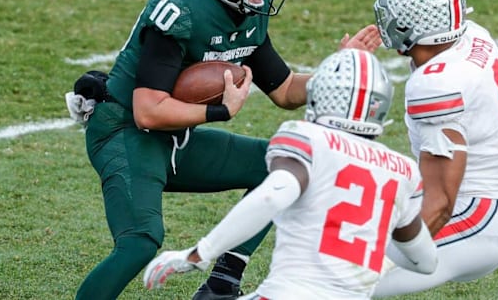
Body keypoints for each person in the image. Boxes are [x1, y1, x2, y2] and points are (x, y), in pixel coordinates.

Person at [65, 0, 381, 300]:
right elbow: (147, 109)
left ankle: (222, 285)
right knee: (140, 243)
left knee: (276, 164)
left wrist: (337, 68)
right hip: (126, 133)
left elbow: (283, 90)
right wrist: (218, 111)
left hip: (174, 138)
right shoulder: (178, 9)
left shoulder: (250, 15)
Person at [142, 48, 438, 300]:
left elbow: (272, 196)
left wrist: (198, 254)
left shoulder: (307, 138)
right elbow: (426, 261)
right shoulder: (402, 170)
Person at [370, 0, 498, 296]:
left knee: (334, 278)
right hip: (476, 204)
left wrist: (373, 265)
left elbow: (440, 202)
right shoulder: (472, 35)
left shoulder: (436, 84)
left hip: (475, 216)